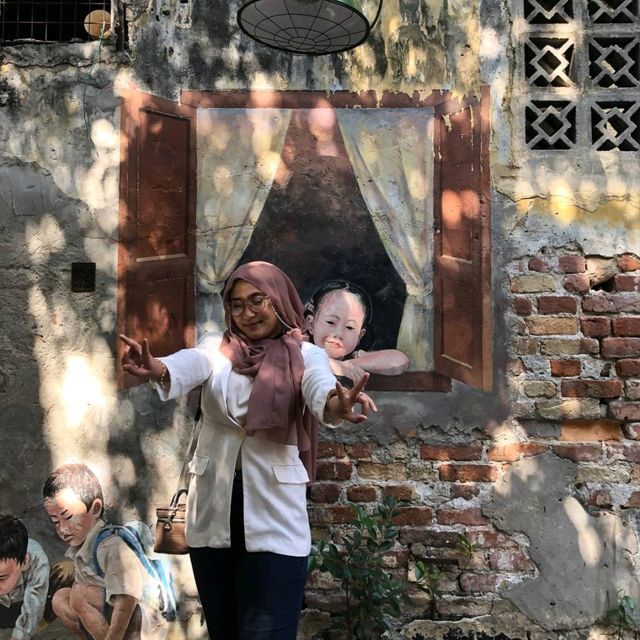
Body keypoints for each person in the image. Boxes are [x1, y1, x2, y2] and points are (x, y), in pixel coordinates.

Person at [119, 261, 377, 640]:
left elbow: (320, 389)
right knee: (224, 631)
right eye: (236, 304)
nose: (247, 312)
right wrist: (158, 368)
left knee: (269, 631)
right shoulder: (217, 348)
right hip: (214, 511)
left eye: (258, 300)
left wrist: (337, 406)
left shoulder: (306, 355)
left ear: (279, 300)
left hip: (274, 515)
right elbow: (189, 364)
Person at [42, 464, 167, 640]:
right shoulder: (84, 547)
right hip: (111, 613)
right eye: (56, 521)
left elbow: (127, 598)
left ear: (95, 509)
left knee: (78, 594)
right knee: (61, 598)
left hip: (139, 620)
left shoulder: (110, 545)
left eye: (68, 517)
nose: (62, 528)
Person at [304, 280, 409, 385]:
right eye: (330, 322)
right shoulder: (299, 349)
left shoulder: (352, 358)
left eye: (349, 327)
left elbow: (400, 360)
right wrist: (335, 366)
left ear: (360, 336)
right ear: (310, 324)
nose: (339, 334)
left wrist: (348, 364)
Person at [0, 514, 50, 640]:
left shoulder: (37, 560)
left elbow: (33, 604)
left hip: (24, 604)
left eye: (1, 578)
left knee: (65, 572)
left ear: (24, 562)